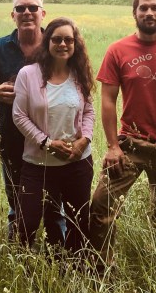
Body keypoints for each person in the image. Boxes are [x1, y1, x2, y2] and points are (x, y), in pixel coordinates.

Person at [88, 0, 156, 267]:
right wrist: (113, 146)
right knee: (101, 205)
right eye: (143, 8)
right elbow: (107, 100)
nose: (149, 13)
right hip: (131, 143)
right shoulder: (118, 50)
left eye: (154, 8)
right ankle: (103, 268)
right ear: (135, 13)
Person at [0, 0, 63, 242]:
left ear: (43, 13)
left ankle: (57, 252)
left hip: (52, 135)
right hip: (12, 136)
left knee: (53, 201)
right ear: (12, 15)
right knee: (17, 199)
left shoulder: (56, 43)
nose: (27, 12)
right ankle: (21, 253)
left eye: (32, 8)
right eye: (20, 8)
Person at [12, 17, 95, 255]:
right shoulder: (28, 74)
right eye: (57, 39)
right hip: (38, 164)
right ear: (47, 42)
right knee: (26, 223)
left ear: (75, 44)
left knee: (78, 221)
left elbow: (89, 110)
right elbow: (19, 116)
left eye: (68, 39)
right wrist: (46, 143)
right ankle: (25, 268)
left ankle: (75, 267)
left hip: (77, 162)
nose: (63, 44)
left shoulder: (79, 75)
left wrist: (84, 140)